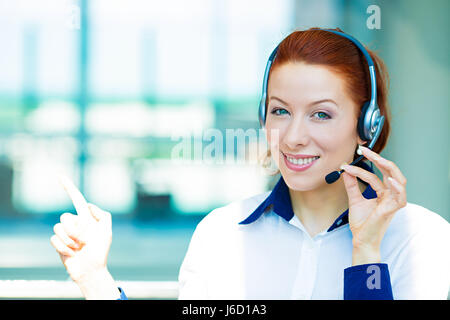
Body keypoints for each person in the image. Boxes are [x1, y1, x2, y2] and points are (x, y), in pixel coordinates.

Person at [50, 28, 450, 300]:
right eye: (280, 111)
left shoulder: (421, 239)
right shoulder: (220, 235)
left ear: (367, 125)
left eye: (321, 114)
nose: (292, 136)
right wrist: (95, 279)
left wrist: (366, 253)